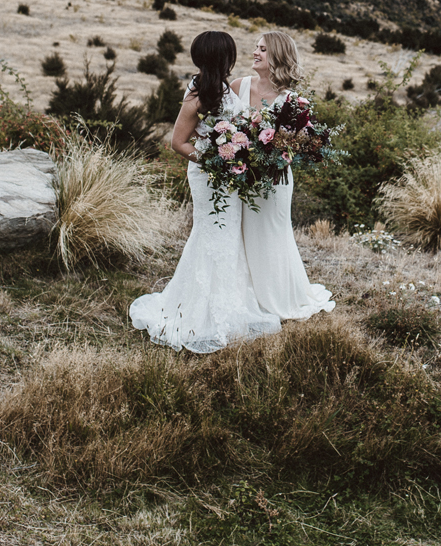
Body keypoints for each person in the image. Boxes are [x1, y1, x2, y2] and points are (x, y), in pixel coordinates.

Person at [129, 31, 281, 353]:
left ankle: (228, 304)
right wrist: (215, 161)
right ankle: (202, 312)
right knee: (213, 236)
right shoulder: (198, 95)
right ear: (222, 58)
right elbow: (177, 143)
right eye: (231, 52)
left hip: (229, 178)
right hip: (209, 177)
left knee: (229, 238)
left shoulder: (223, 89)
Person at [237, 31, 335, 321]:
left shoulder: (294, 103)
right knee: (242, 234)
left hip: (274, 179)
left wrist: (284, 150)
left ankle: (278, 296)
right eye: (256, 47)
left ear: (278, 57)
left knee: (272, 234)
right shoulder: (238, 86)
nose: (255, 52)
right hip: (241, 177)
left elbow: (302, 146)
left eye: (263, 49)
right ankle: (246, 295)